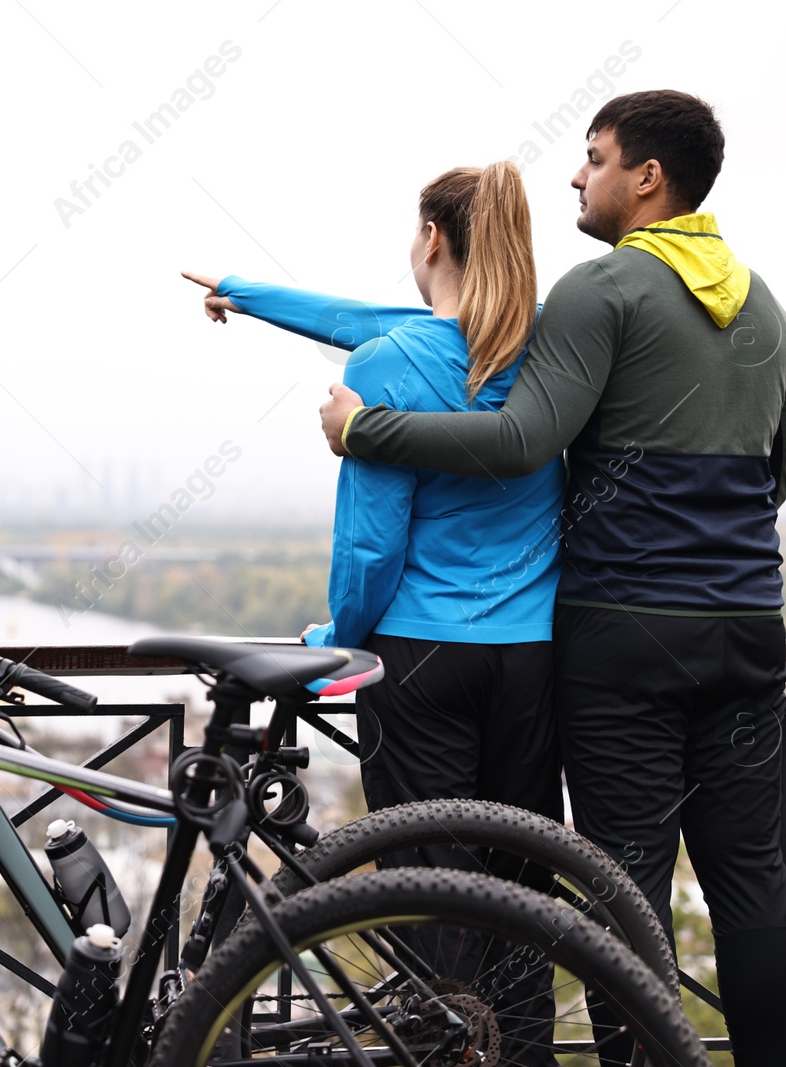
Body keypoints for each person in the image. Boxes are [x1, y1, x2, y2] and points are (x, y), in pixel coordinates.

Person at [318, 91, 786, 1064]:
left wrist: (361, 429)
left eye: (592, 158)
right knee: (752, 882)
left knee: (623, 885)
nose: (576, 178)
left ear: (646, 178)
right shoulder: (764, 305)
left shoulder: (603, 289)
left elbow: (521, 437)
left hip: (621, 634)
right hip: (748, 626)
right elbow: (774, 478)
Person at [187, 161, 567, 1062]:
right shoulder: (543, 352)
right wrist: (246, 294)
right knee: (523, 886)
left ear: (431, 237)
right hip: (533, 657)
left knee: (432, 888)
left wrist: (337, 643)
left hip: (422, 657)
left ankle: (442, 1052)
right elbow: (379, 322)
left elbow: (369, 549)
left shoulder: (387, 369)